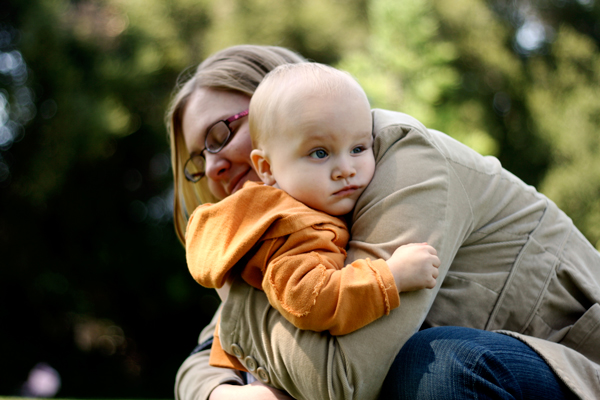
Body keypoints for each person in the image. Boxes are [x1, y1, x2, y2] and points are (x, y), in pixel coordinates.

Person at [168, 44, 600, 400]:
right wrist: (230, 395)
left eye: (220, 134)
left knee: (435, 364)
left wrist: (235, 288)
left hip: (577, 372)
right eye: (197, 157)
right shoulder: (292, 216)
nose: (212, 168)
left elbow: (342, 381)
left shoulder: (399, 159)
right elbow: (197, 363)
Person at [184, 62, 440, 371]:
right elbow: (308, 301)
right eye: (320, 153)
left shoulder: (308, 206)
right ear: (266, 168)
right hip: (272, 380)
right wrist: (391, 277)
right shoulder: (287, 227)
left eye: (359, 147)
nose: (346, 168)